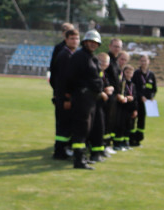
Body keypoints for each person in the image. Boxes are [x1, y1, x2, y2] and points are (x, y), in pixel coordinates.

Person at [65, 30, 105, 170]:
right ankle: (78, 160)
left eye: (96, 43)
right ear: (85, 42)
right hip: (82, 98)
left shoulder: (91, 58)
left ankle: (82, 158)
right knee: (81, 130)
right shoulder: (79, 57)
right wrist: (70, 95)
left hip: (90, 99)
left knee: (86, 129)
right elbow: (70, 78)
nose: (93, 44)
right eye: (91, 42)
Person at [49, 28, 79, 160]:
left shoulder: (71, 54)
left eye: (76, 38)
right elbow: (61, 79)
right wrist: (66, 96)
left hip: (67, 96)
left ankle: (63, 149)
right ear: (66, 40)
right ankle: (59, 152)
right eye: (72, 38)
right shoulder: (64, 55)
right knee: (63, 125)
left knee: (66, 124)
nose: (74, 41)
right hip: (64, 97)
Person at [130, 54, 157, 147]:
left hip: (147, 102)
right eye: (142, 61)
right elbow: (134, 87)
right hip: (137, 101)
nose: (143, 63)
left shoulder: (151, 75)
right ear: (139, 62)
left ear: (148, 61)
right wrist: (141, 96)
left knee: (142, 120)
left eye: (145, 61)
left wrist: (152, 96)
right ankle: (131, 139)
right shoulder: (136, 73)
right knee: (133, 119)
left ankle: (138, 140)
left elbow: (154, 88)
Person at [111, 52, 133, 150]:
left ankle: (116, 144)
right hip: (112, 100)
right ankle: (111, 144)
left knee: (120, 124)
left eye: (125, 60)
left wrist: (124, 96)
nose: (122, 61)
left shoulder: (120, 71)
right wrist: (117, 95)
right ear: (117, 58)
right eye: (121, 59)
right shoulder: (114, 69)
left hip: (120, 102)